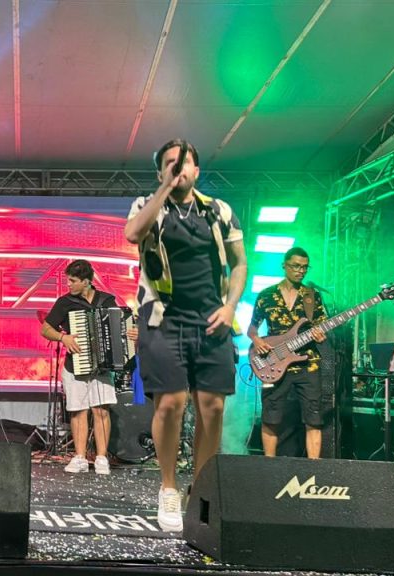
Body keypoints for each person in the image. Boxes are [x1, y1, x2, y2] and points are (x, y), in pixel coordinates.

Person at [124, 139, 247, 532]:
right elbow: (133, 234)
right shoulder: (148, 205)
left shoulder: (218, 211)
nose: (179, 168)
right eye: (170, 163)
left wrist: (230, 307)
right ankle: (168, 488)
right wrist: (164, 188)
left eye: (185, 162)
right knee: (171, 403)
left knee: (212, 407)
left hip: (212, 318)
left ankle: (201, 490)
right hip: (163, 318)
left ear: (197, 170)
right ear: (160, 171)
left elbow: (240, 263)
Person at [40, 259, 122, 475]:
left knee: (101, 410)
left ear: (86, 282)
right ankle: (80, 457)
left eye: (72, 280)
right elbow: (45, 329)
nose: (68, 284)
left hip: (102, 366)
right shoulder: (65, 302)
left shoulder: (107, 300)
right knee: (78, 411)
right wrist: (63, 337)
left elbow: (120, 327)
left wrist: (130, 333)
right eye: (68, 280)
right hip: (74, 365)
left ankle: (101, 458)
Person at [247, 247, 328, 459]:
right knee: (271, 416)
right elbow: (252, 329)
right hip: (274, 362)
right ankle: (269, 466)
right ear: (284, 265)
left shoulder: (312, 296)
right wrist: (257, 340)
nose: (301, 271)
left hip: (308, 363)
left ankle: (314, 468)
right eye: (296, 266)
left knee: (314, 418)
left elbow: (321, 326)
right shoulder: (266, 296)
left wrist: (320, 334)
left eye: (305, 267)